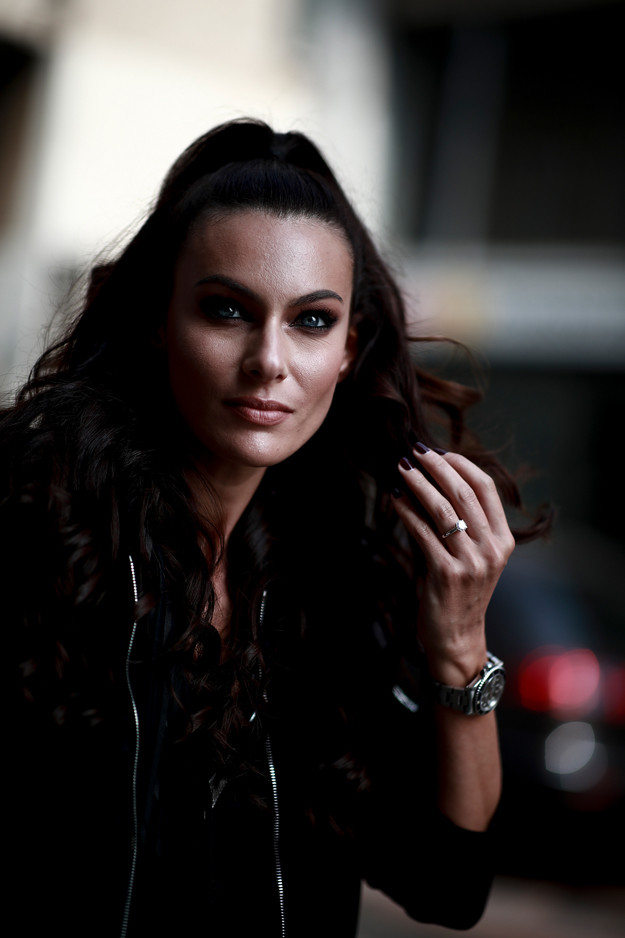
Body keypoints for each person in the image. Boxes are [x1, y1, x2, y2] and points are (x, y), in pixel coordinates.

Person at [5, 120, 549, 937]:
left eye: (311, 321)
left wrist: (459, 650)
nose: (269, 360)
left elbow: (448, 884)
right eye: (226, 310)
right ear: (158, 321)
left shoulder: (325, 588)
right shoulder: (36, 532)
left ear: (347, 350)